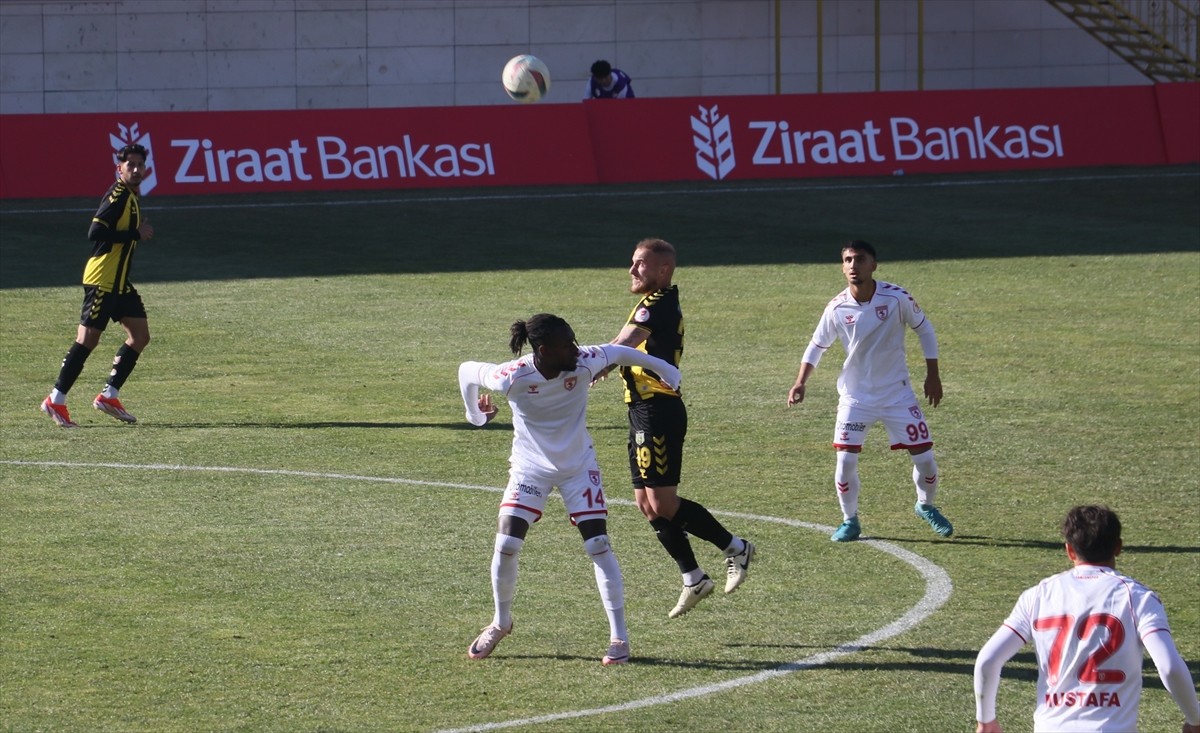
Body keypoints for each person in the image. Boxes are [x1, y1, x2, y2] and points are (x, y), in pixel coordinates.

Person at [458, 313, 681, 665]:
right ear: (544, 351)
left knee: (598, 544)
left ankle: (619, 638)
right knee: (507, 543)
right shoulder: (512, 376)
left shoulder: (584, 361)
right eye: (568, 345)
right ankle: (501, 622)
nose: (577, 349)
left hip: (579, 467)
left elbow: (620, 352)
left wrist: (666, 370)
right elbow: (467, 371)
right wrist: (475, 415)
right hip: (530, 468)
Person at [594, 238, 754, 619]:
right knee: (646, 504)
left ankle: (736, 547)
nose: (632, 270)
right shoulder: (650, 301)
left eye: (640, 264)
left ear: (663, 269)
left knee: (663, 502)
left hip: (658, 410)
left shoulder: (657, 302)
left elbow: (623, 344)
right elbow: (620, 344)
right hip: (640, 412)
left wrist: (582, 370)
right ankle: (694, 577)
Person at [973, 505, 1200, 733]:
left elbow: (988, 660)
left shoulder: (1038, 596)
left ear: (1070, 551)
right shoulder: (1138, 598)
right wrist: (1195, 719)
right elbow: (1169, 666)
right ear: (1118, 547)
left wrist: (986, 720)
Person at [786, 240, 950, 542]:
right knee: (845, 461)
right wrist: (801, 381)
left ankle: (925, 506)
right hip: (855, 397)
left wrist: (933, 375)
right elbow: (817, 345)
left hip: (897, 395)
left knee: (925, 458)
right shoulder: (837, 307)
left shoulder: (897, 298)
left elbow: (924, 329)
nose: (853, 266)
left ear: (873, 265)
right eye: (847, 260)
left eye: (859, 260)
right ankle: (850, 520)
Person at [40, 143, 156, 428]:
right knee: (87, 340)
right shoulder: (117, 195)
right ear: (120, 168)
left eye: (140, 165)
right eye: (131, 165)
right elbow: (96, 232)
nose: (137, 169)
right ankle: (55, 400)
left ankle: (109, 395)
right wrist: (135, 234)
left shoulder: (131, 195)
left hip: (119, 283)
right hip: (102, 280)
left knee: (140, 336)